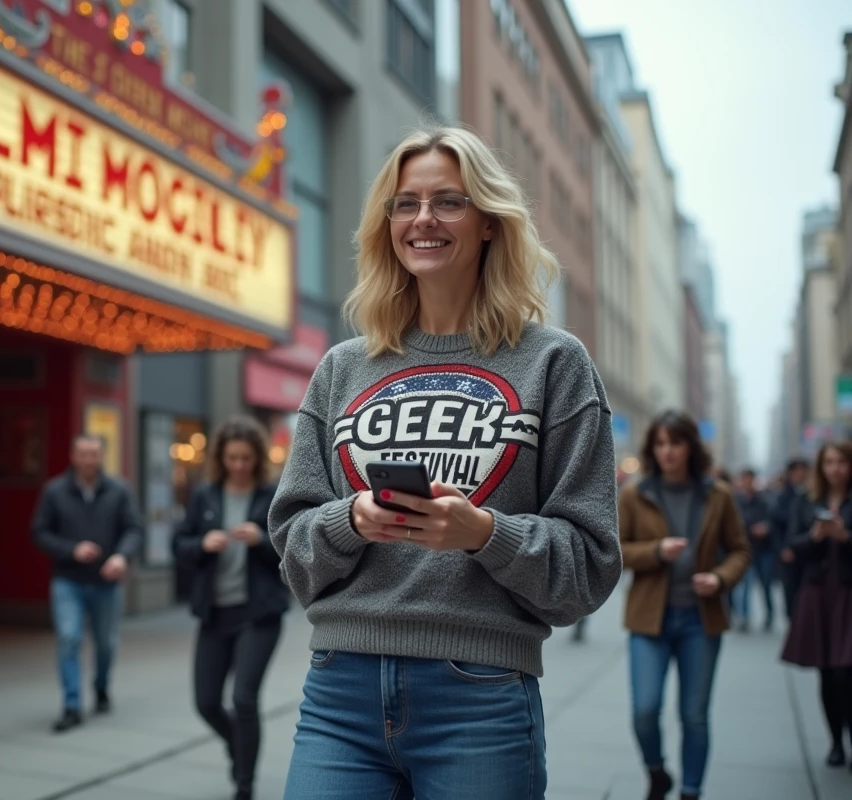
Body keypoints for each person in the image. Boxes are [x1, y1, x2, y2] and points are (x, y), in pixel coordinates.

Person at [267, 124, 624, 799]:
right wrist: (352, 520)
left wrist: (484, 533)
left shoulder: (554, 363)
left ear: (489, 222)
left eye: (448, 201)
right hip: (339, 690)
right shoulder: (343, 368)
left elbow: (589, 567)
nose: (423, 218)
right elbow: (293, 551)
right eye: (406, 203)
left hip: (480, 695)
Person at [619, 411, 750, 800]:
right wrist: (656, 551)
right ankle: (656, 770)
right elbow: (615, 551)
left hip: (699, 620)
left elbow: (740, 550)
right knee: (645, 710)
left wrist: (720, 579)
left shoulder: (717, 494)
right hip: (649, 619)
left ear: (690, 446)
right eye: (660, 444)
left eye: (675, 443)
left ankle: (691, 790)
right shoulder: (635, 494)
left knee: (694, 715)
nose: (668, 452)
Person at [173, 416, 289, 800]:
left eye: (246, 458)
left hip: (258, 615)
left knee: (243, 700)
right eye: (232, 458)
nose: (239, 465)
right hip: (215, 614)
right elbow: (179, 545)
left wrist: (261, 539)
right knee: (206, 702)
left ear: (257, 458)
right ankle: (239, 748)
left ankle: (244, 785)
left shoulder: (273, 496)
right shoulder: (205, 496)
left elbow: (294, 548)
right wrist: (201, 544)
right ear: (221, 458)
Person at [32, 435, 143, 733]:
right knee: (69, 638)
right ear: (73, 456)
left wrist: (121, 556)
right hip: (68, 579)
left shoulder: (119, 490)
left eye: (93, 454)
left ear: (102, 456)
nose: (88, 460)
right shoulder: (54, 491)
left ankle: (101, 687)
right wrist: (71, 550)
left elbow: (134, 529)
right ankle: (72, 705)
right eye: (83, 454)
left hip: (107, 581)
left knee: (105, 642)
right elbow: (40, 532)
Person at [780, 441, 852, 771]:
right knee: (827, 671)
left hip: (847, 593)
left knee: (845, 672)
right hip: (819, 593)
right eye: (829, 462)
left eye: (842, 462)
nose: (835, 468)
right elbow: (791, 546)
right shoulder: (807, 500)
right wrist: (815, 536)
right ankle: (836, 741)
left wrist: (845, 537)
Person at [731, 468, 776, 631]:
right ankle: (743, 617)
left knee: (766, 585)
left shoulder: (763, 500)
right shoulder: (736, 501)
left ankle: (769, 614)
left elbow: (772, 520)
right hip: (746, 549)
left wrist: (766, 528)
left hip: (763, 549)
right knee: (744, 586)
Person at [775, 458, 811, 620]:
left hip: (808, 552)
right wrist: (783, 548)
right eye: (796, 471)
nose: (799, 474)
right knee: (791, 595)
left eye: (802, 470)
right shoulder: (783, 497)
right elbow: (776, 526)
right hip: (788, 554)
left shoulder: (812, 495)